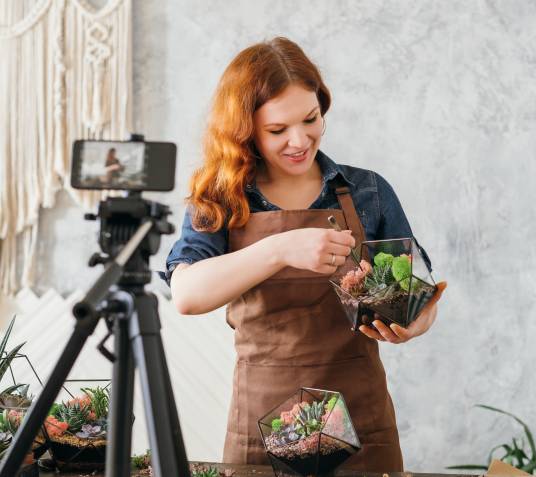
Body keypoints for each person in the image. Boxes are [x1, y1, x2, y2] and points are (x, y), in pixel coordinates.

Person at [163, 37, 447, 472]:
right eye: (278, 130)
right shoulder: (221, 198)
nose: (300, 140)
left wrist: (416, 321)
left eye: (310, 119)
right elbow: (186, 293)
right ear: (246, 130)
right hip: (261, 423)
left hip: (362, 422)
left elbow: (418, 293)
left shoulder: (368, 191)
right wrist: (279, 249)